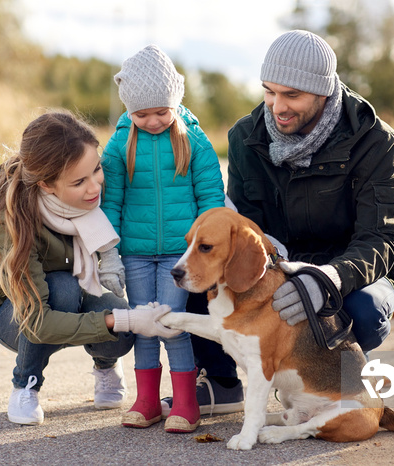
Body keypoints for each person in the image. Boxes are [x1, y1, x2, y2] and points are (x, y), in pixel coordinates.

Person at [185, 29, 394, 414]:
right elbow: (245, 231)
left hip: (348, 270)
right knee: (196, 277)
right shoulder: (245, 136)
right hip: (279, 264)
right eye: (269, 91)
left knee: (365, 312)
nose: (277, 106)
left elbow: (381, 241)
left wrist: (326, 279)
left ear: (323, 92)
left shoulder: (374, 140)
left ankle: (334, 378)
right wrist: (280, 272)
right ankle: (223, 383)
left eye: (292, 95)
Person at [0, 111, 180, 426]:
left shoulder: (93, 195)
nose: (94, 186)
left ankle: (105, 366)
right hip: (15, 316)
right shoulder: (13, 218)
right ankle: (24, 385)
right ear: (47, 184)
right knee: (65, 290)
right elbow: (38, 322)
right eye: (79, 182)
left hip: (77, 297)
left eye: (96, 170)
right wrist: (126, 319)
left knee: (121, 331)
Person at [100, 45, 226, 433]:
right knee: (144, 325)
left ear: (175, 103)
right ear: (128, 110)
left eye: (161, 111)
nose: (153, 121)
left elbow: (210, 202)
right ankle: (147, 401)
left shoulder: (195, 142)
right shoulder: (120, 145)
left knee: (172, 323)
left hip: (179, 254)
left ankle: (186, 402)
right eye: (142, 114)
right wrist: (109, 254)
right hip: (135, 254)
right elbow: (111, 203)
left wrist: (208, 254)